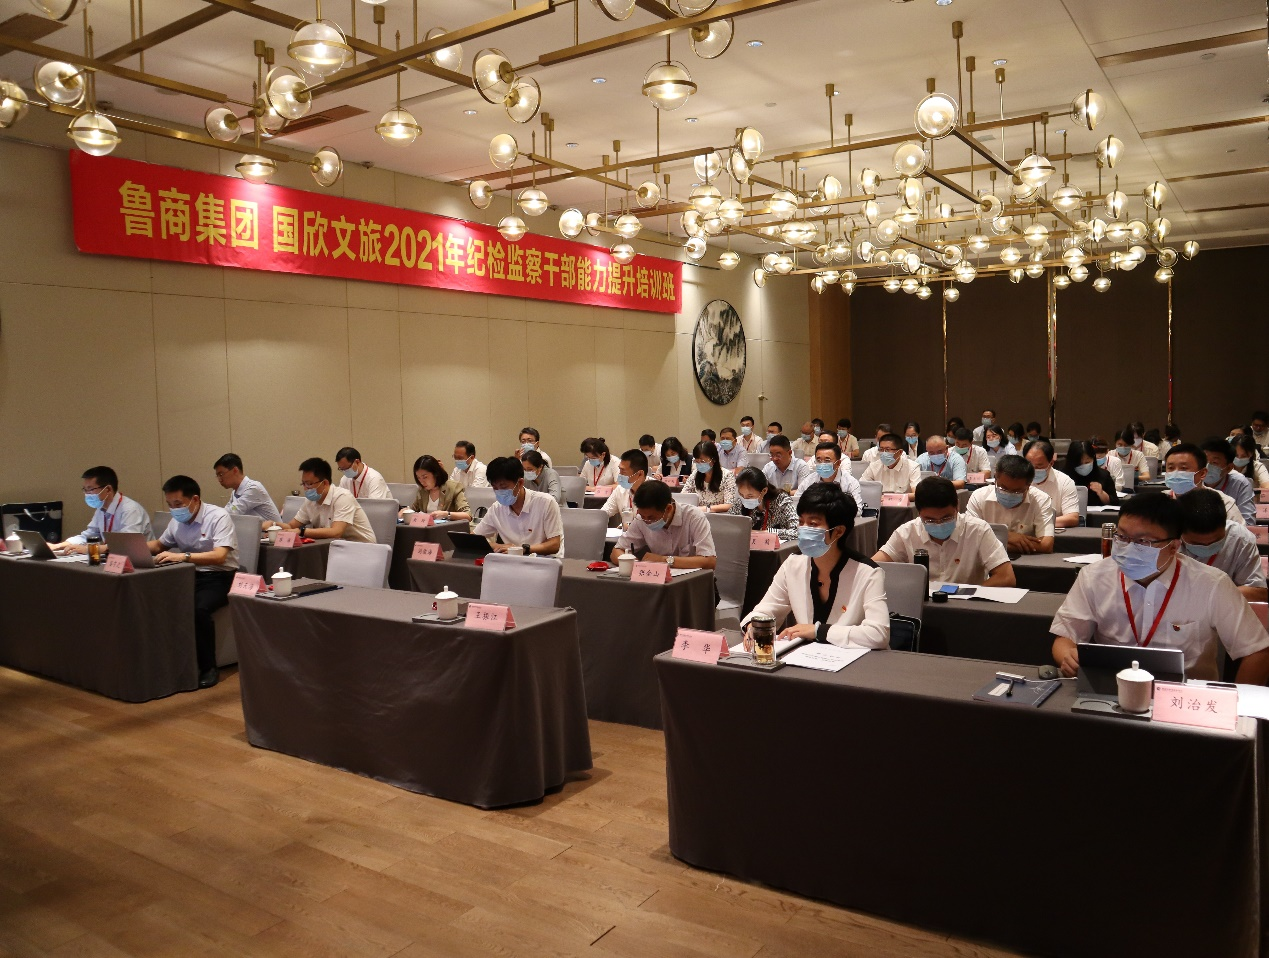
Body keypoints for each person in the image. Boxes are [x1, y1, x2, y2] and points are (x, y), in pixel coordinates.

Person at [1049, 492, 1269, 683]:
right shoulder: (1094, 576)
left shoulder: (1212, 584)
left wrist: (1238, 707)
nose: (1128, 548)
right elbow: (1064, 637)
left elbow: (1258, 652)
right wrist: (1068, 656)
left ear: (1174, 546)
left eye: (1143, 542)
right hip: (1110, 690)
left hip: (1184, 699)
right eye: (1122, 537)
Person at [741, 483, 890, 649]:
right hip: (806, 657)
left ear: (839, 531)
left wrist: (819, 631)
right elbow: (766, 609)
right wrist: (754, 626)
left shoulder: (868, 573)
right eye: (801, 522)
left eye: (812, 524)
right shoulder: (793, 564)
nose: (803, 529)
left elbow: (879, 634)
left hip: (853, 660)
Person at [146, 475, 238, 689]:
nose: (174, 509)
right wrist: (128, 548)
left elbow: (220, 557)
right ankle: (166, 662)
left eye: (178, 504)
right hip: (188, 574)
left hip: (220, 576)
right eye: (170, 504)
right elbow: (159, 545)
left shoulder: (218, 516)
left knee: (198, 609)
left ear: (194, 499)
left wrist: (183, 556)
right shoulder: (176, 521)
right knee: (154, 598)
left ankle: (208, 667)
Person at [874, 477, 1015, 586]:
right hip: (923, 606)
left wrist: (970, 594)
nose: (939, 524)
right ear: (919, 513)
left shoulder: (978, 530)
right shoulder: (907, 532)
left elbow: (1007, 577)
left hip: (967, 606)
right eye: (930, 520)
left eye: (946, 518)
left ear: (957, 507)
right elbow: (872, 568)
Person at [1177, 489, 1267, 602]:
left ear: (1225, 524)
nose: (1207, 547)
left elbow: (1258, 592)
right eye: (1197, 544)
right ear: (1179, 531)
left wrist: (1207, 594)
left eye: (1216, 541)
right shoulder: (1166, 540)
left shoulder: (1240, 538)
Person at [612, 479, 716, 569]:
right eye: (643, 516)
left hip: (691, 581)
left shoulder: (694, 517)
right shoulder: (641, 519)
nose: (647, 521)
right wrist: (636, 565)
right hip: (657, 579)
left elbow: (709, 561)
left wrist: (663, 560)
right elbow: (617, 551)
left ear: (668, 509)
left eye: (651, 518)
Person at [267, 458, 376, 542]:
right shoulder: (310, 501)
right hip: (334, 548)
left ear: (325, 483)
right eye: (303, 484)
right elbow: (291, 526)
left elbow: (336, 532)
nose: (305, 488)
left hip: (362, 549)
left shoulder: (342, 497)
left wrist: (301, 532)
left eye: (309, 484)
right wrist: (273, 525)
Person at [966, 454, 1055, 556]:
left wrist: (991, 542)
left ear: (1029, 485)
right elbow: (969, 537)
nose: (1009, 494)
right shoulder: (979, 497)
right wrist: (1007, 536)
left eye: (1017, 491)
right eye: (1003, 488)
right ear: (995, 478)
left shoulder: (1041, 500)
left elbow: (1046, 545)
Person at [473, 457, 563, 556]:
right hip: (513, 560)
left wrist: (523, 549)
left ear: (520, 483)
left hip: (545, 560)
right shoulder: (496, 508)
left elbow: (554, 545)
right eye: (495, 488)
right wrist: (498, 546)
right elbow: (473, 539)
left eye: (503, 487)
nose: (499, 491)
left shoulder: (546, 502)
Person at [51, 466, 153, 553]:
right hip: (114, 559)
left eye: (90, 489)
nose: (87, 494)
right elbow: (89, 535)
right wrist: (58, 546)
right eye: (85, 490)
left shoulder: (130, 510)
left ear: (108, 489)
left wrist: (90, 549)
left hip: (140, 562)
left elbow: (127, 544)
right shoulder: (101, 509)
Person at [1162, 444, 1245, 525]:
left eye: (1183, 468)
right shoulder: (1160, 503)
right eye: (1171, 468)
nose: (1176, 473)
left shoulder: (1223, 503)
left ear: (1202, 473)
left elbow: (1237, 533)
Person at [795, 441, 864, 514]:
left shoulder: (850, 482)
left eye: (827, 460)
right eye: (818, 460)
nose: (822, 464)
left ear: (838, 463)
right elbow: (796, 503)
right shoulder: (809, 480)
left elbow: (858, 511)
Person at [1024, 439, 1080, 528]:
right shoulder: (1018, 479)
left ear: (1051, 463)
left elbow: (1072, 518)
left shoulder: (1065, 482)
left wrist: (1038, 523)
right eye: (1030, 465)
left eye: (1039, 466)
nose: (1033, 470)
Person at [1200, 438, 1257, 524]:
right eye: (1204, 461)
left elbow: (1248, 522)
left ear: (1229, 468)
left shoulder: (1240, 484)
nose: (1207, 467)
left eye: (1214, 462)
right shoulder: (1192, 481)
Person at [214, 454, 281, 523]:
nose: (219, 480)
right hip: (256, 529)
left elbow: (233, 512)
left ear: (235, 470)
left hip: (274, 529)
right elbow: (227, 510)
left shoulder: (253, 488)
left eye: (221, 474)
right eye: (217, 476)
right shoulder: (234, 493)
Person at [736, 467, 798, 541]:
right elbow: (728, 526)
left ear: (764, 491)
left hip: (777, 547)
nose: (745, 499)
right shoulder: (740, 501)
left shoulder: (781, 500)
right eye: (741, 494)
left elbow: (797, 532)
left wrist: (767, 533)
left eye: (750, 496)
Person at [406, 454, 470, 521]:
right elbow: (413, 510)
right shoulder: (422, 491)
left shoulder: (453, 488)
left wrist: (447, 514)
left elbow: (467, 515)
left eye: (425, 477)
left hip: (446, 526)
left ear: (435, 473)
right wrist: (405, 511)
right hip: (426, 527)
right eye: (418, 478)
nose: (422, 482)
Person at [861, 432, 921, 499]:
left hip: (904, 505)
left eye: (887, 450)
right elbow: (861, 489)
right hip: (879, 504)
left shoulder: (912, 467)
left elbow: (917, 494)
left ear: (900, 452)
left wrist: (890, 498)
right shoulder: (873, 467)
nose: (884, 453)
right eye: (881, 449)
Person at [602, 448, 653, 527]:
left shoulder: (656, 491)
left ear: (640, 474)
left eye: (623, 471)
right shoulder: (620, 489)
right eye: (620, 470)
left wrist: (631, 528)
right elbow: (603, 513)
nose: (620, 475)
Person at [689, 440, 740, 514]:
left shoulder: (727, 475)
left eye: (703, 461)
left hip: (719, 516)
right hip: (698, 515)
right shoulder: (695, 474)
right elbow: (684, 497)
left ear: (714, 459)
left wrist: (706, 509)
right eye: (697, 461)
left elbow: (729, 504)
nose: (699, 464)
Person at [1064, 440, 1118, 507]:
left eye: (1087, 462)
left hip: (1097, 513)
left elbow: (1115, 503)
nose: (1083, 465)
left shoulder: (1104, 475)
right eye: (1079, 463)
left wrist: (1101, 493)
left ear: (1093, 459)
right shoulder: (1063, 477)